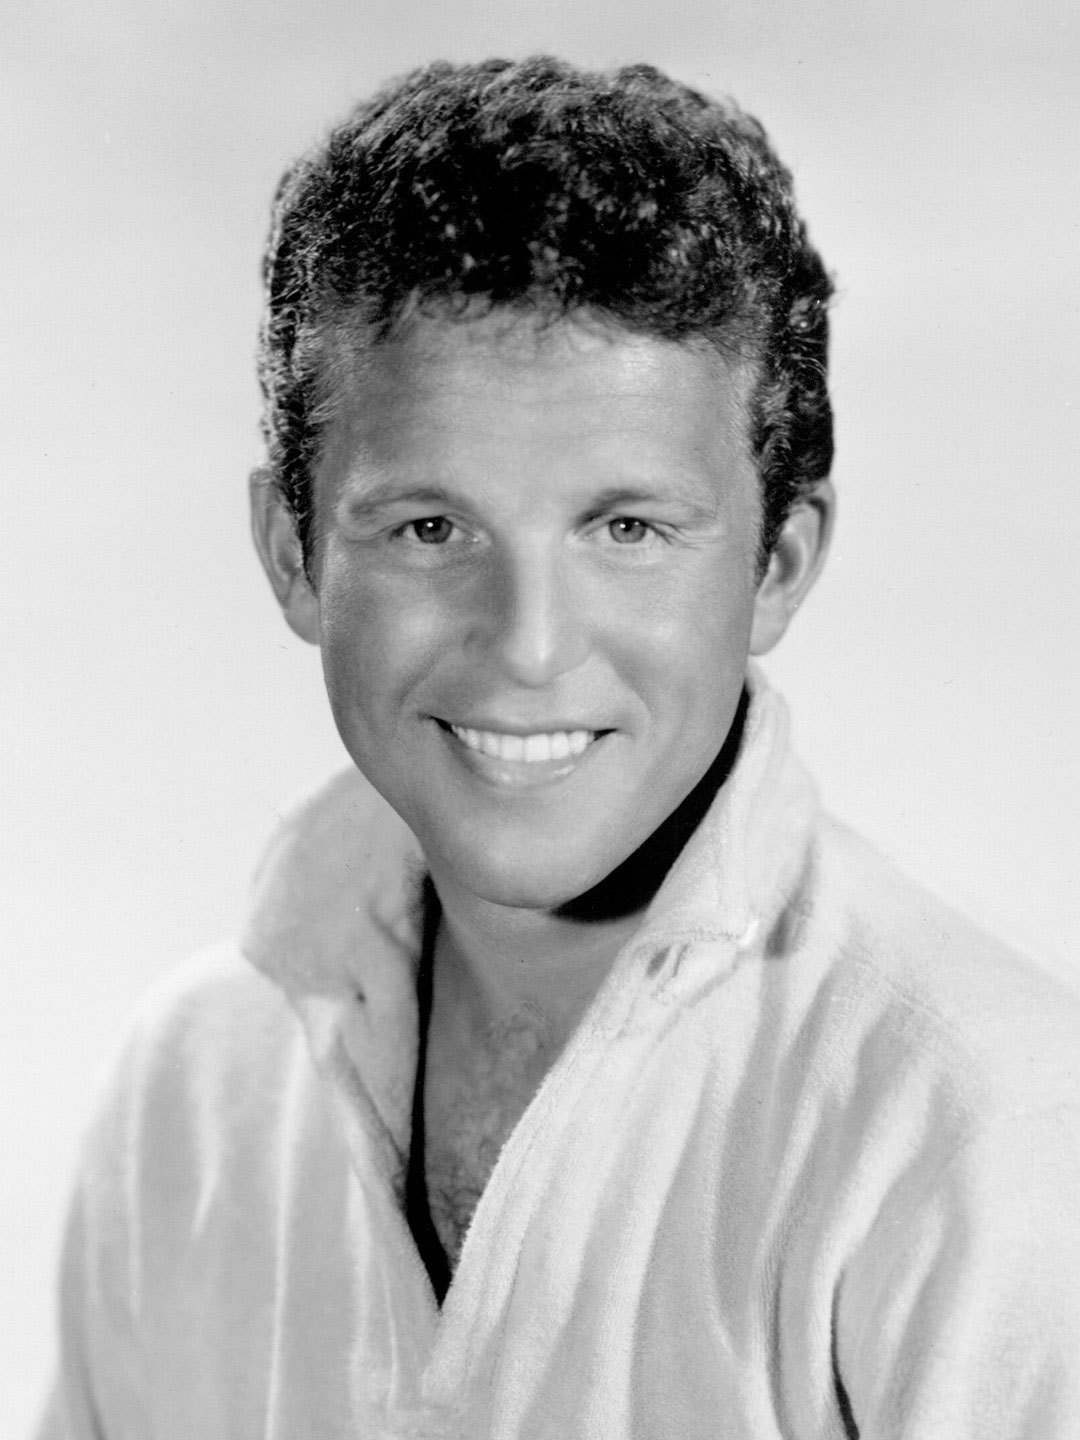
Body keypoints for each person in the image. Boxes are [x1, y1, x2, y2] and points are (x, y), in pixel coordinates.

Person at [38, 56, 1080, 1440]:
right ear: (293, 554)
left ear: (777, 563)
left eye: (627, 529)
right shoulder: (191, 1097)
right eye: (430, 528)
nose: (529, 646)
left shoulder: (990, 1141)